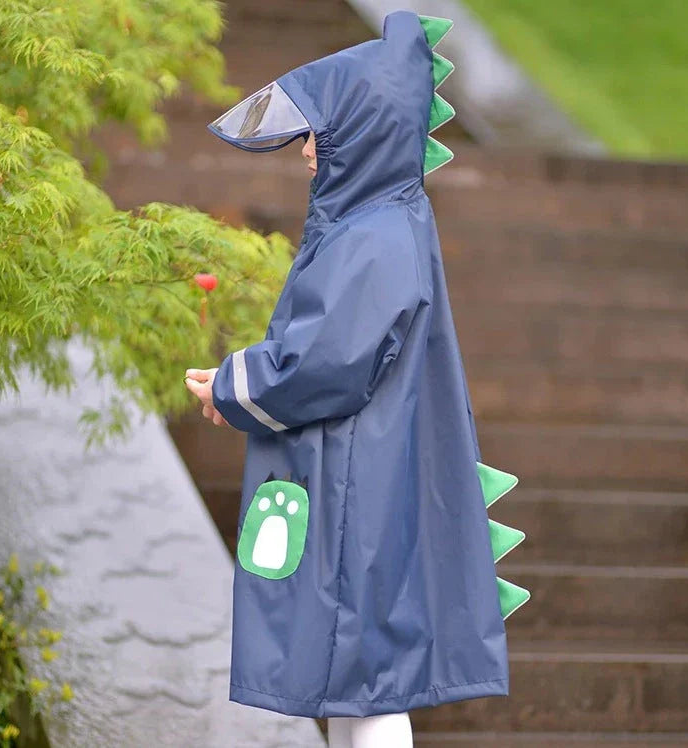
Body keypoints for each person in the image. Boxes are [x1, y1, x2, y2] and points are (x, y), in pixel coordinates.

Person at [185, 11, 528, 748]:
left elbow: (327, 362)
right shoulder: (380, 223)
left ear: (361, 129)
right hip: (359, 474)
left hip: (357, 485)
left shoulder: (374, 234)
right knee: (351, 673)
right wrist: (241, 384)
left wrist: (233, 386)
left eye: (316, 132)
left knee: (364, 673)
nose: (306, 152)